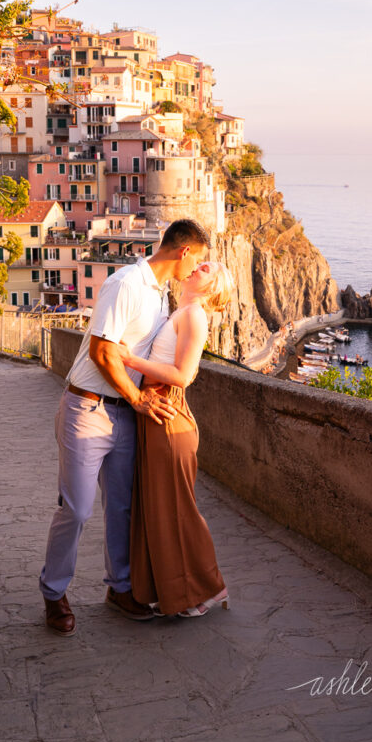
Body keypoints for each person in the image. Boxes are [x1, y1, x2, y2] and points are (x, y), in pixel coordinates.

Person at [39, 218, 211, 635]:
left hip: (127, 414)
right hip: (88, 408)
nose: (196, 270)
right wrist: (138, 398)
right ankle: (53, 592)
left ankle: (120, 588)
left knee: (122, 507)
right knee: (77, 509)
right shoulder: (126, 284)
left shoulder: (158, 298)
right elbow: (101, 351)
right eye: (198, 260)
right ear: (184, 251)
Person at [118, 260, 235, 617]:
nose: (198, 266)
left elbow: (182, 375)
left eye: (206, 268)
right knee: (159, 509)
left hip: (168, 418)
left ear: (212, 288)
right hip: (156, 413)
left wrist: (128, 360)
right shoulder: (181, 311)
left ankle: (210, 588)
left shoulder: (195, 315)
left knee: (178, 511)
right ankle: (171, 591)